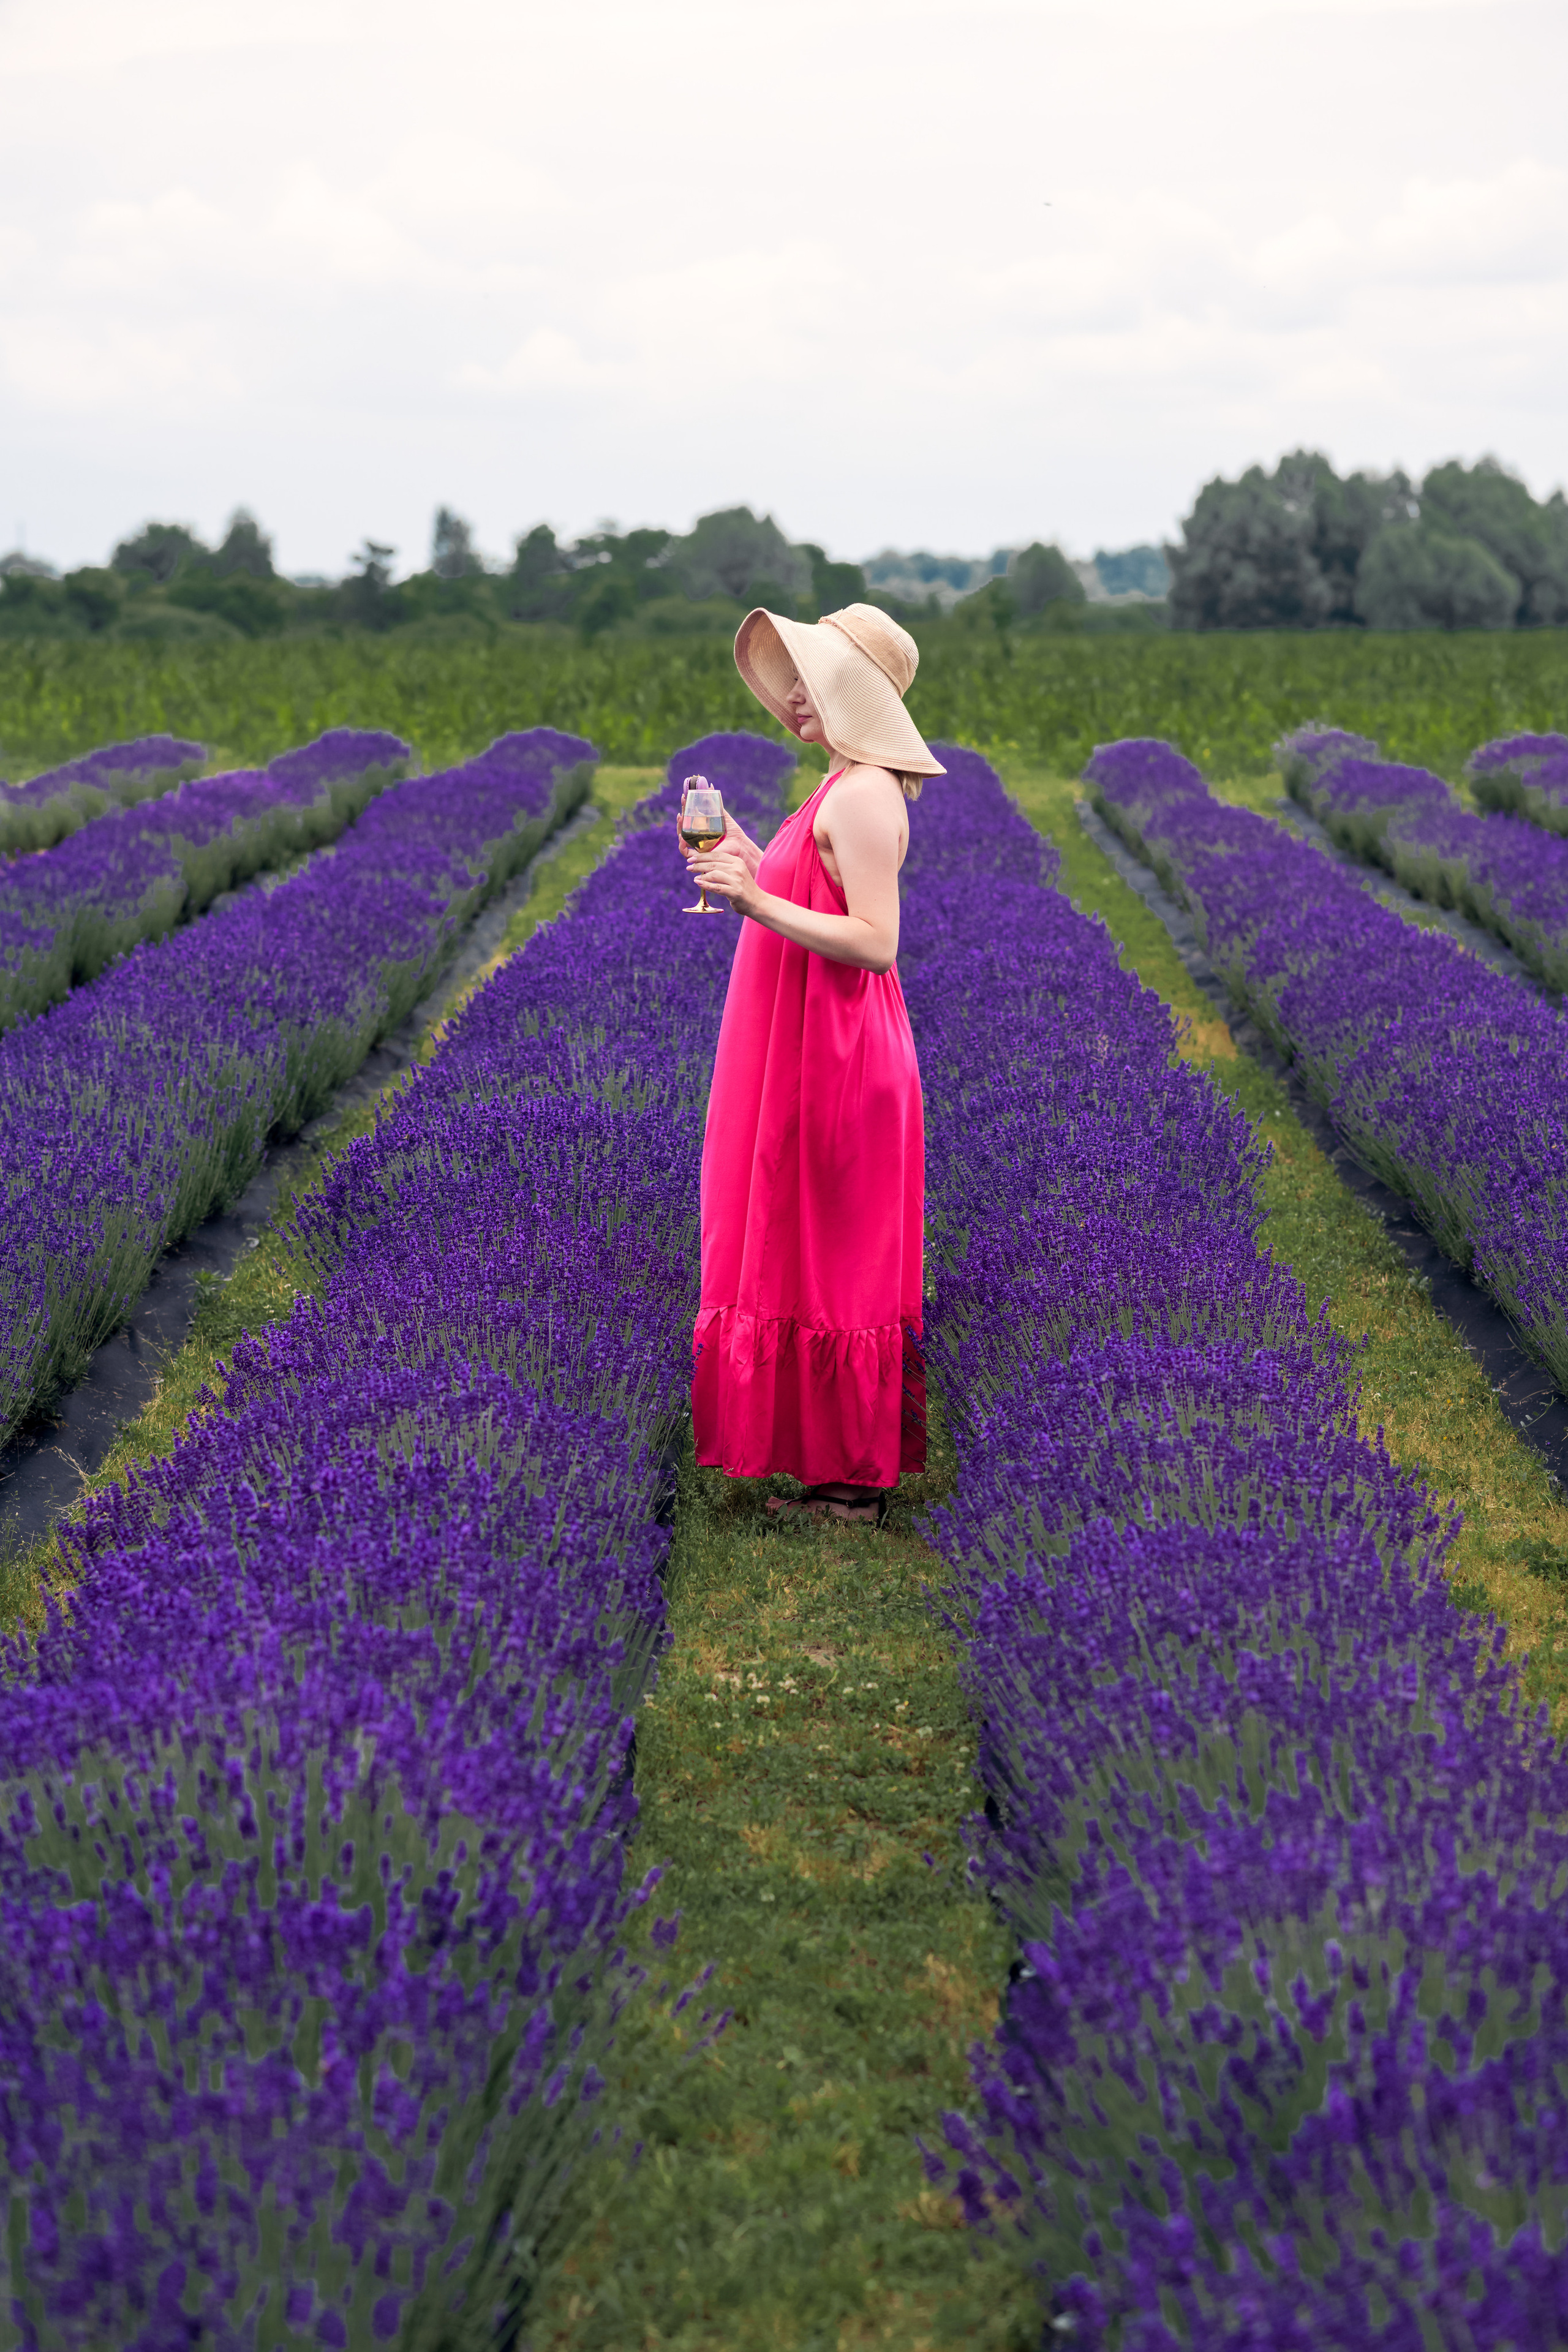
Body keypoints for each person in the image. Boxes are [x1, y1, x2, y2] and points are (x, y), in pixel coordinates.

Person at [682, 603, 944, 1526]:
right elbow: (814, 889)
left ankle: (850, 1489)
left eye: (814, 678)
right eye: (792, 676)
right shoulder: (833, 786)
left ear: (855, 695)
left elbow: (875, 942)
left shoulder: (868, 791)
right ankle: (818, 1462)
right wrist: (750, 860)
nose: (793, 694)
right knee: (800, 1240)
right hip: (796, 1043)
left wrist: (754, 899)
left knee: (837, 1256)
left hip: (837, 1053)